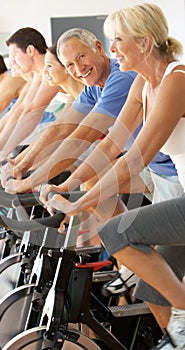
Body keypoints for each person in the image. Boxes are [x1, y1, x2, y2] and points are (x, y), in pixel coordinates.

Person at [42, 3, 185, 348]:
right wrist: (67, 186)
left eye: (117, 39)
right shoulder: (143, 85)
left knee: (116, 233)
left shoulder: (176, 81)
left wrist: (80, 204)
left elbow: (134, 159)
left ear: (145, 43)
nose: (113, 48)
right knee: (150, 288)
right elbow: (110, 148)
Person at [1, 27, 137, 228]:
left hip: (153, 163)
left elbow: (83, 137)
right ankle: (122, 244)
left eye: (81, 57)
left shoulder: (120, 78)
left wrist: (29, 182)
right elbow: (60, 128)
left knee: (88, 183)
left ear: (99, 48)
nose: (79, 69)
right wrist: (21, 165)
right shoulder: (92, 87)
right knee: (88, 183)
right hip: (139, 159)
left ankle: (124, 242)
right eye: (70, 64)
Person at [0, 27, 61, 160]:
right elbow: (23, 109)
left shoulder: (51, 68)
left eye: (14, 55)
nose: (11, 61)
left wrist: (4, 150)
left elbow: (33, 113)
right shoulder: (39, 75)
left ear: (30, 50)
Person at [5, 41, 85, 168]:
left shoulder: (85, 94)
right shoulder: (72, 96)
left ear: (66, 68)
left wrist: (22, 164)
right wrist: (18, 161)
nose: (45, 72)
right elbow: (56, 127)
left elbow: (59, 131)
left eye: (49, 66)